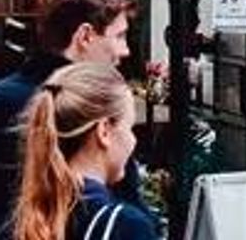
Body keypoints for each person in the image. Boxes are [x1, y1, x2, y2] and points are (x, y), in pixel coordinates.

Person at [0, 0, 138, 240]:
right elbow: (125, 221)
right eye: (119, 36)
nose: (125, 51)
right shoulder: (93, 116)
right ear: (85, 37)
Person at [15, 63, 155, 240]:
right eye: (129, 128)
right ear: (104, 131)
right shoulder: (124, 225)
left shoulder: (35, 215)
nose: (133, 141)